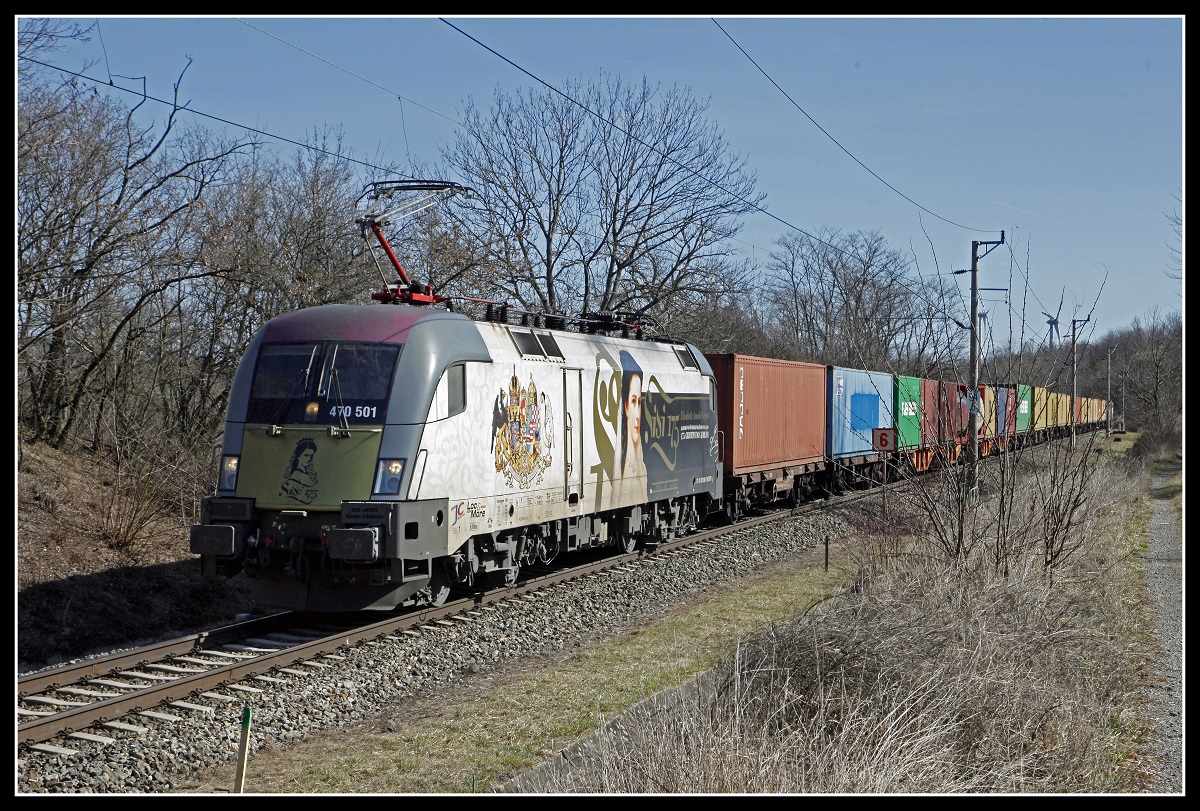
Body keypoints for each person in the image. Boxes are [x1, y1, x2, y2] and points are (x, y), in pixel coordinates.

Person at [616, 351, 648, 503]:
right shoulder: (618, 466)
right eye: (633, 401)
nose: (637, 414)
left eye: (639, 402)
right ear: (626, 406)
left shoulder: (641, 464)